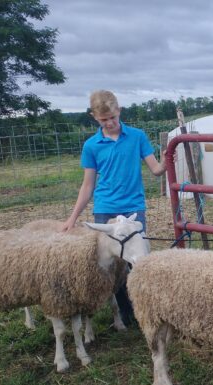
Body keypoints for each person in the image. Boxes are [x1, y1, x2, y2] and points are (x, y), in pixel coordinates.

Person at [61, 90, 167, 324]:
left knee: (138, 259)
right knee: (110, 265)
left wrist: (168, 161)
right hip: (105, 209)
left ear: (119, 111)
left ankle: (147, 310)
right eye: (103, 120)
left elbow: (156, 169)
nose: (109, 123)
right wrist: (72, 219)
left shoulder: (137, 137)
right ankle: (123, 313)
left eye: (113, 118)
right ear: (94, 117)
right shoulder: (92, 146)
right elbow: (88, 186)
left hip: (132, 209)